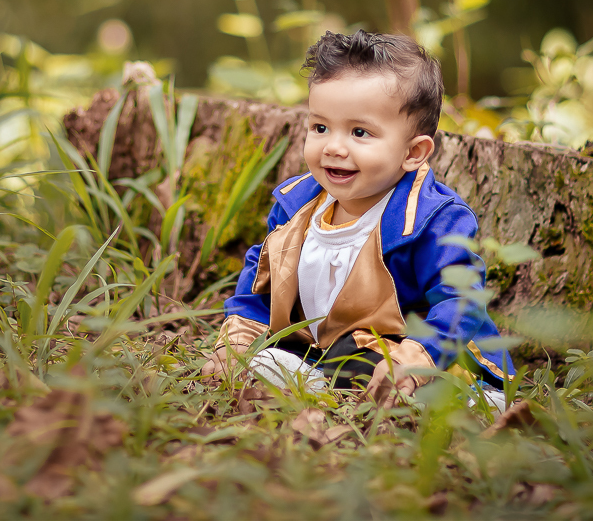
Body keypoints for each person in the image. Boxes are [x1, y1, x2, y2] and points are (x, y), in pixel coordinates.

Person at [203, 30, 513, 407]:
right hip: (323, 346)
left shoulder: (434, 220)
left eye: (359, 132)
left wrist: (414, 358)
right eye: (320, 128)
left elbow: (460, 299)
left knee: (372, 366)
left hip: (408, 352)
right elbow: (262, 279)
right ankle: (305, 377)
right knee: (277, 356)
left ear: (414, 152)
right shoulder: (296, 204)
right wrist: (240, 336)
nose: (333, 146)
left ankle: (464, 399)